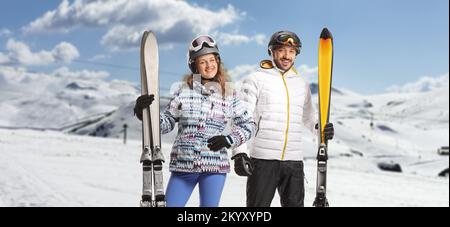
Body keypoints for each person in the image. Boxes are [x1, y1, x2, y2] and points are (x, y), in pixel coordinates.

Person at [134, 35, 256, 207]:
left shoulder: (229, 95)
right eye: (203, 62)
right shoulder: (183, 93)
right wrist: (144, 113)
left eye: (212, 60)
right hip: (184, 166)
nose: (209, 65)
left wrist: (229, 139)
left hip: (215, 167)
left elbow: (249, 125)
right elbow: (166, 123)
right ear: (194, 65)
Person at [231, 31, 334, 207]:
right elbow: (241, 118)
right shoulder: (255, 79)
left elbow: (309, 116)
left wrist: (320, 127)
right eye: (281, 50)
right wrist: (239, 151)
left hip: (293, 162)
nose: (287, 56)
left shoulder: (301, 84)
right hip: (263, 161)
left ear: (296, 54)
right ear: (271, 51)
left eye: (292, 51)